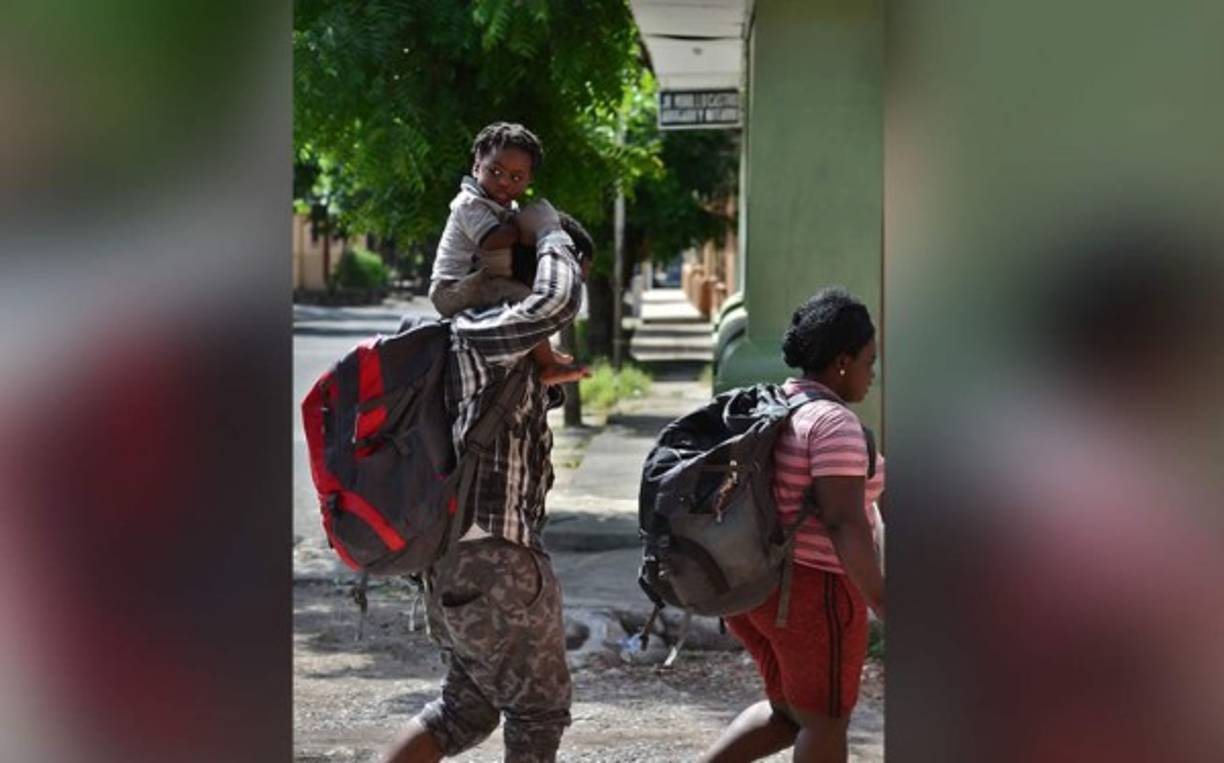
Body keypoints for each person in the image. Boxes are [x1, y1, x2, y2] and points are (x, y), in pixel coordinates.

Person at [384, 199, 593, 763]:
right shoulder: (490, 329)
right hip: (491, 557)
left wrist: (548, 377)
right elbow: (554, 299)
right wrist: (550, 232)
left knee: (466, 708)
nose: (569, 314)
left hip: (460, 556)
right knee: (539, 711)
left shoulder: (493, 342)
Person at [701, 287, 886, 763]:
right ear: (843, 361)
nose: (872, 373)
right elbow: (845, 524)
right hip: (811, 593)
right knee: (825, 719)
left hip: (753, 589)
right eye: (869, 360)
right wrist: (884, 601)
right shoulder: (834, 424)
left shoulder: (777, 404)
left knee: (789, 713)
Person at [428, 121, 578, 385]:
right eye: (494, 171)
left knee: (524, 294)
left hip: (480, 283)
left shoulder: (506, 208)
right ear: (476, 167)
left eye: (516, 177)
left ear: (529, 180)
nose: (503, 182)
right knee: (523, 299)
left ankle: (538, 348)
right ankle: (547, 364)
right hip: (452, 289)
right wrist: (527, 224)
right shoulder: (469, 204)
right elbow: (492, 240)